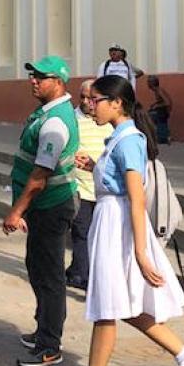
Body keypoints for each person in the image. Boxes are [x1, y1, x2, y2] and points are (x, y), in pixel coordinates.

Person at [50, 75, 184, 366]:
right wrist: (96, 167)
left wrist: (141, 251)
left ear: (117, 103)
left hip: (120, 226)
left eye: (96, 100)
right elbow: (123, 186)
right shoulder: (120, 138)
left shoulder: (128, 141)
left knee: (107, 309)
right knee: (122, 307)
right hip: (113, 221)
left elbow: (137, 198)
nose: (89, 105)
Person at [3, 56, 80, 366]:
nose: (33, 80)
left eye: (41, 77)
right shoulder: (46, 113)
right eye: (32, 75)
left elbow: (39, 177)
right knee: (37, 268)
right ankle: (43, 330)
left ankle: (50, 345)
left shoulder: (55, 123)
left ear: (59, 82)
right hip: (44, 207)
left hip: (50, 206)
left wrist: (16, 211)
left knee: (49, 276)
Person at [66, 80, 112, 290]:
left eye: (91, 97)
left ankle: (81, 271)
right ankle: (82, 277)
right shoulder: (72, 120)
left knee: (99, 235)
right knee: (82, 233)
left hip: (104, 189)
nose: (86, 102)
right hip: (80, 188)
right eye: (82, 97)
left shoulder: (108, 121)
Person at [146, 75, 173, 145]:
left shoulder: (159, 90)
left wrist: (156, 106)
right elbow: (162, 101)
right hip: (162, 111)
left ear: (152, 83)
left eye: (148, 82)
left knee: (150, 118)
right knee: (158, 121)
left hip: (163, 112)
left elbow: (167, 102)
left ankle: (163, 137)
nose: (147, 84)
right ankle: (165, 136)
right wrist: (154, 104)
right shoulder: (157, 90)